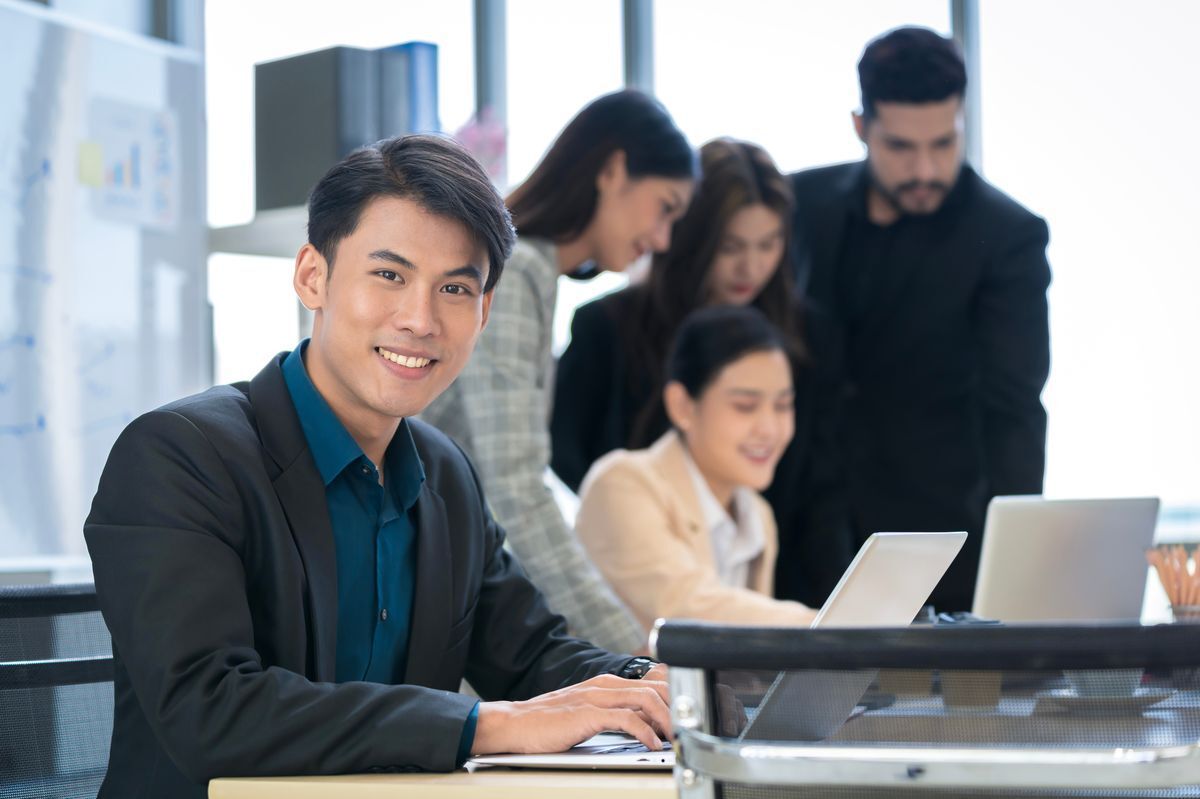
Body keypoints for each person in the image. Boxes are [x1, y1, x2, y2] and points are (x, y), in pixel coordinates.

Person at [83, 135, 672, 799]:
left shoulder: (444, 474)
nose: (419, 319)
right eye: (389, 275)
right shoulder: (179, 456)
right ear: (313, 276)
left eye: (454, 288)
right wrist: (483, 724)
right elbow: (212, 710)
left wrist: (659, 685)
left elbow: (533, 654)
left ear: (483, 312)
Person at [420, 90, 695, 653]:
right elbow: (517, 489)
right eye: (665, 206)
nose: (663, 239)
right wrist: (635, 653)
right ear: (614, 170)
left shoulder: (534, 275)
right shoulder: (516, 273)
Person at [789, 27, 1052, 611]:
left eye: (944, 142)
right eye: (902, 148)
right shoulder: (800, 206)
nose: (926, 169)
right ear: (862, 127)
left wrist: (1013, 580)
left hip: (940, 551)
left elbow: (1015, 413)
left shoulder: (1008, 237)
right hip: (803, 543)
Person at [552, 138, 851, 607]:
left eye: (768, 245)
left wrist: (833, 621)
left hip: (777, 574)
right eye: (731, 246)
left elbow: (822, 483)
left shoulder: (807, 334)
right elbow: (564, 445)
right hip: (646, 569)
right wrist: (634, 519)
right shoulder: (611, 326)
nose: (750, 266)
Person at [574, 305, 817, 633]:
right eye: (745, 406)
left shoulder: (757, 514)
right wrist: (829, 626)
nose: (769, 429)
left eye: (783, 406)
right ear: (682, 405)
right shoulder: (622, 483)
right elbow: (686, 606)